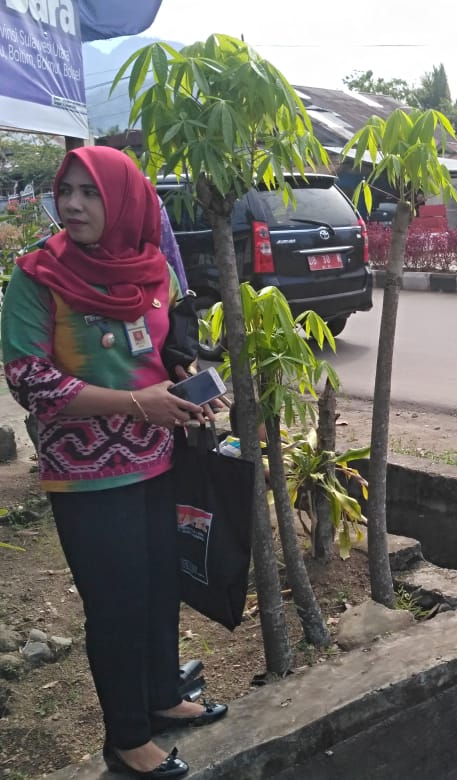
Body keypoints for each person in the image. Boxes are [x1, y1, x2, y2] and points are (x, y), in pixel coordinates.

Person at [0, 146, 227, 778]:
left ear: (124, 201)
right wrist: (133, 403)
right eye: (65, 191)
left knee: (159, 586)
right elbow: (30, 380)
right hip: (86, 476)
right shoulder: (37, 276)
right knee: (117, 603)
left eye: (90, 192)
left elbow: (167, 347)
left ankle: (162, 697)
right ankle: (127, 741)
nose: (72, 204)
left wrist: (185, 381)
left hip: (158, 459)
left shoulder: (153, 270)